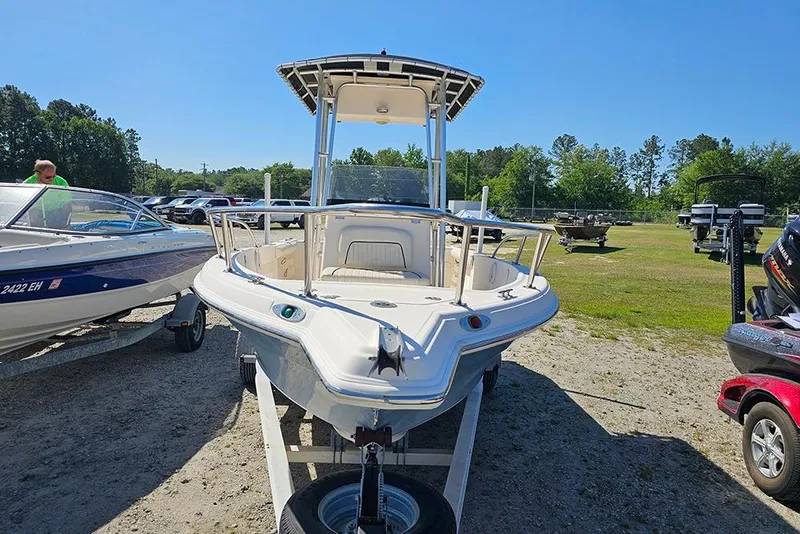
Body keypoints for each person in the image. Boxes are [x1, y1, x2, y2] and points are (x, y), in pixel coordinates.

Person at [23, 160, 72, 229]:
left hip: (57, 213)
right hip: (36, 213)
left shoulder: (61, 183)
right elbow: (24, 204)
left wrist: (66, 222)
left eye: (54, 176)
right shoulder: (28, 184)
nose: (51, 179)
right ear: (37, 173)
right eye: (48, 177)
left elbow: (67, 204)